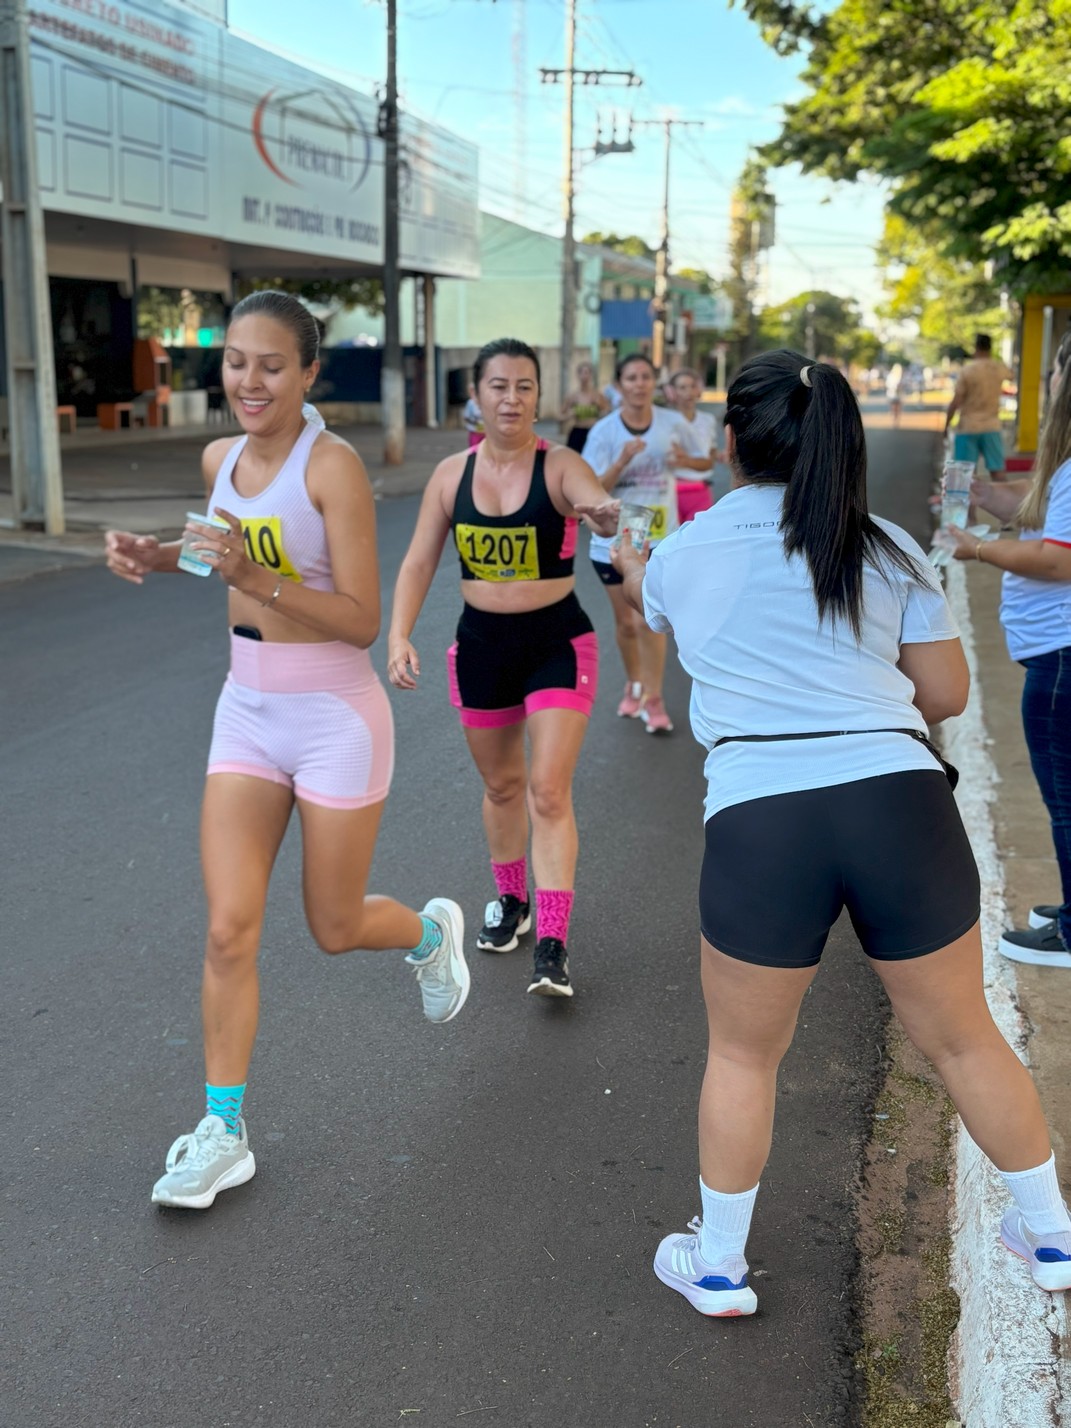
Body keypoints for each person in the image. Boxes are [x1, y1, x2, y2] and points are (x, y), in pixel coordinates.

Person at [610, 348, 1071, 1314]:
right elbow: (943, 692)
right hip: (896, 800)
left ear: (732, 443)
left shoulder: (685, 554)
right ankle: (1049, 1233)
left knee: (743, 1054)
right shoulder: (885, 548)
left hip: (761, 816)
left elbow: (652, 610)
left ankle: (723, 1265)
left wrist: (635, 563)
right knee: (963, 1040)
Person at [105, 290, 469, 1211]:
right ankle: (222, 1131)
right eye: (235, 361)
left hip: (334, 716)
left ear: (310, 372)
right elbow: (211, 551)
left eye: (271, 364)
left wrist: (253, 575)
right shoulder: (218, 455)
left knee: (333, 925)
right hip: (246, 712)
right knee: (229, 926)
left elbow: (356, 621)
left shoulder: (332, 466)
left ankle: (430, 935)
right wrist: (156, 557)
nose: (248, 380)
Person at [387, 337, 619, 998]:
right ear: (476, 395)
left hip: (556, 642)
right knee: (501, 787)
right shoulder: (448, 477)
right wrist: (398, 635)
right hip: (482, 644)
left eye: (523, 386)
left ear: (536, 397)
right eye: (498, 385)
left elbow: (596, 504)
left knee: (547, 788)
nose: (510, 398)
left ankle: (552, 942)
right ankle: (510, 902)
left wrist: (602, 516)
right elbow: (417, 563)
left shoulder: (560, 465)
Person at [943, 328, 1071, 969]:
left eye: (1052, 372)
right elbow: (1048, 520)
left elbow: (1056, 561)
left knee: (1065, 799)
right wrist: (996, 504)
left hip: (1061, 660)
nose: (1045, 382)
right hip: (1057, 656)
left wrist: (979, 547)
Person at [582, 352, 705, 733]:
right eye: (631, 378)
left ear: (655, 384)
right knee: (627, 625)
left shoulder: (671, 422)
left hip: (659, 536)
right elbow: (590, 487)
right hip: (616, 536)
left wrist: (685, 458)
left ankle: (654, 698)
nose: (639, 384)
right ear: (619, 386)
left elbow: (704, 461)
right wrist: (621, 461)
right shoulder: (604, 431)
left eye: (646, 377)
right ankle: (634, 683)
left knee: (650, 622)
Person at [944, 333, 1013, 480]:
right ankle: (1004, 502)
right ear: (990, 348)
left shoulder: (967, 371)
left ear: (975, 348)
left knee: (965, 476)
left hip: (968, 426)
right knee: (997, 471)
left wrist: (946, 425)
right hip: (992, 425)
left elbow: (956, 402)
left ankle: (970, 503)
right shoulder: (999, 368)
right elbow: (1011, 375)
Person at [666, 368, 719, 524]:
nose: (689, 391)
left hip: (700, 491)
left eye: (692, 386)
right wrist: (699, 461)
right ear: (672, 392)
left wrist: (688, 460)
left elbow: (710, 459)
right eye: (682, 387)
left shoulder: (708, 420)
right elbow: (673, 458)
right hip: (669, 492)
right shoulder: (664, 421)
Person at [561, 359, 609, 453]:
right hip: (578, 431)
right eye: (582, 373)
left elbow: (607, 413)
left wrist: (599, 407)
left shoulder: (597, 395)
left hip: (593, 431)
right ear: (578, 375)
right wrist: (570, 415)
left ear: (591, 375)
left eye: (587, 373)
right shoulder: (573, 396)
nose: (585, 376)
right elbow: (560, 417)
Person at [462, 385, 485, 449]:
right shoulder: (471, 403)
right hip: (474, 431)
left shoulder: (486, 402)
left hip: (486, 432)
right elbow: (466, 417)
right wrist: (474, 422)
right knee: (474, 449)